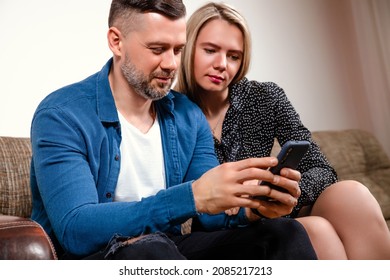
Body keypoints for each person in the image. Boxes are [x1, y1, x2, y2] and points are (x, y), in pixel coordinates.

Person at [30, 0, 318, 260]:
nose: (171, 64)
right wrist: (190, 197)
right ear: (117, 42)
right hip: (99, 258)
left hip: (169, 251)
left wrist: (254, 208)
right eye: (157, 49)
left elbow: (212, 217)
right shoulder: (61, 115)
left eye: (178, 50)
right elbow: (76, 230)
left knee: (284, 232)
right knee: (151, 250)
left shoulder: (187, 115)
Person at [175, 2, 390, 259]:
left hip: (280, 210)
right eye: (210, 50)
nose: (222, 64)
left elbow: (322, 170)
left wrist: (277, 192)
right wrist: (249, 200)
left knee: (352, 194)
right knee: (315, 230)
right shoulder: (170, 114)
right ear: (187, 49)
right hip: (221, 232)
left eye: (234, 56)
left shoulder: (264, 97)